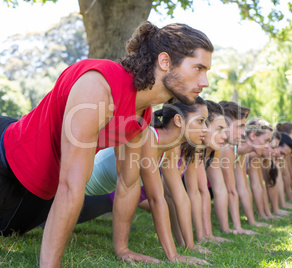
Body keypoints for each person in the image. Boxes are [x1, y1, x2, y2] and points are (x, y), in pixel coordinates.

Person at [0, 20, 213, 266]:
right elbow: (71, 185)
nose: (205, 81)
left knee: (8, 232)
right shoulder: (99, 86)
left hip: (40, 194)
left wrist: (123, 248)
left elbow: (129, 184)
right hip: (8, 162)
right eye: (198, 68)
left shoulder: (142, 115)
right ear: (165, 62)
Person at [74, 98, 211, 265]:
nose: (205, 129)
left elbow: (180, 197)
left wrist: (190, 246)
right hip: (79, 194)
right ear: (178, 121)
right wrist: (174, 256)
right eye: (201, 121)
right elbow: (155, 200)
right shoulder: (148, 139)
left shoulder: (168, 149)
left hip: (89, 196)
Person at [183, 100, 230, 242]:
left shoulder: (210, 150)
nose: (224, 136)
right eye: (219, 129)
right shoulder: (191, 148)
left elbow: (215, 189)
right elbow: (196, 191)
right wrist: (202, 237)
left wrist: (209, 235)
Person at [218, 101, 258, 234]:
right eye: (239, 127)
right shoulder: (226, 148)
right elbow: (230, 190)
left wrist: (252, 222)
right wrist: (237, 228)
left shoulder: (234, 147)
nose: (242, 133)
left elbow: (242, 187)